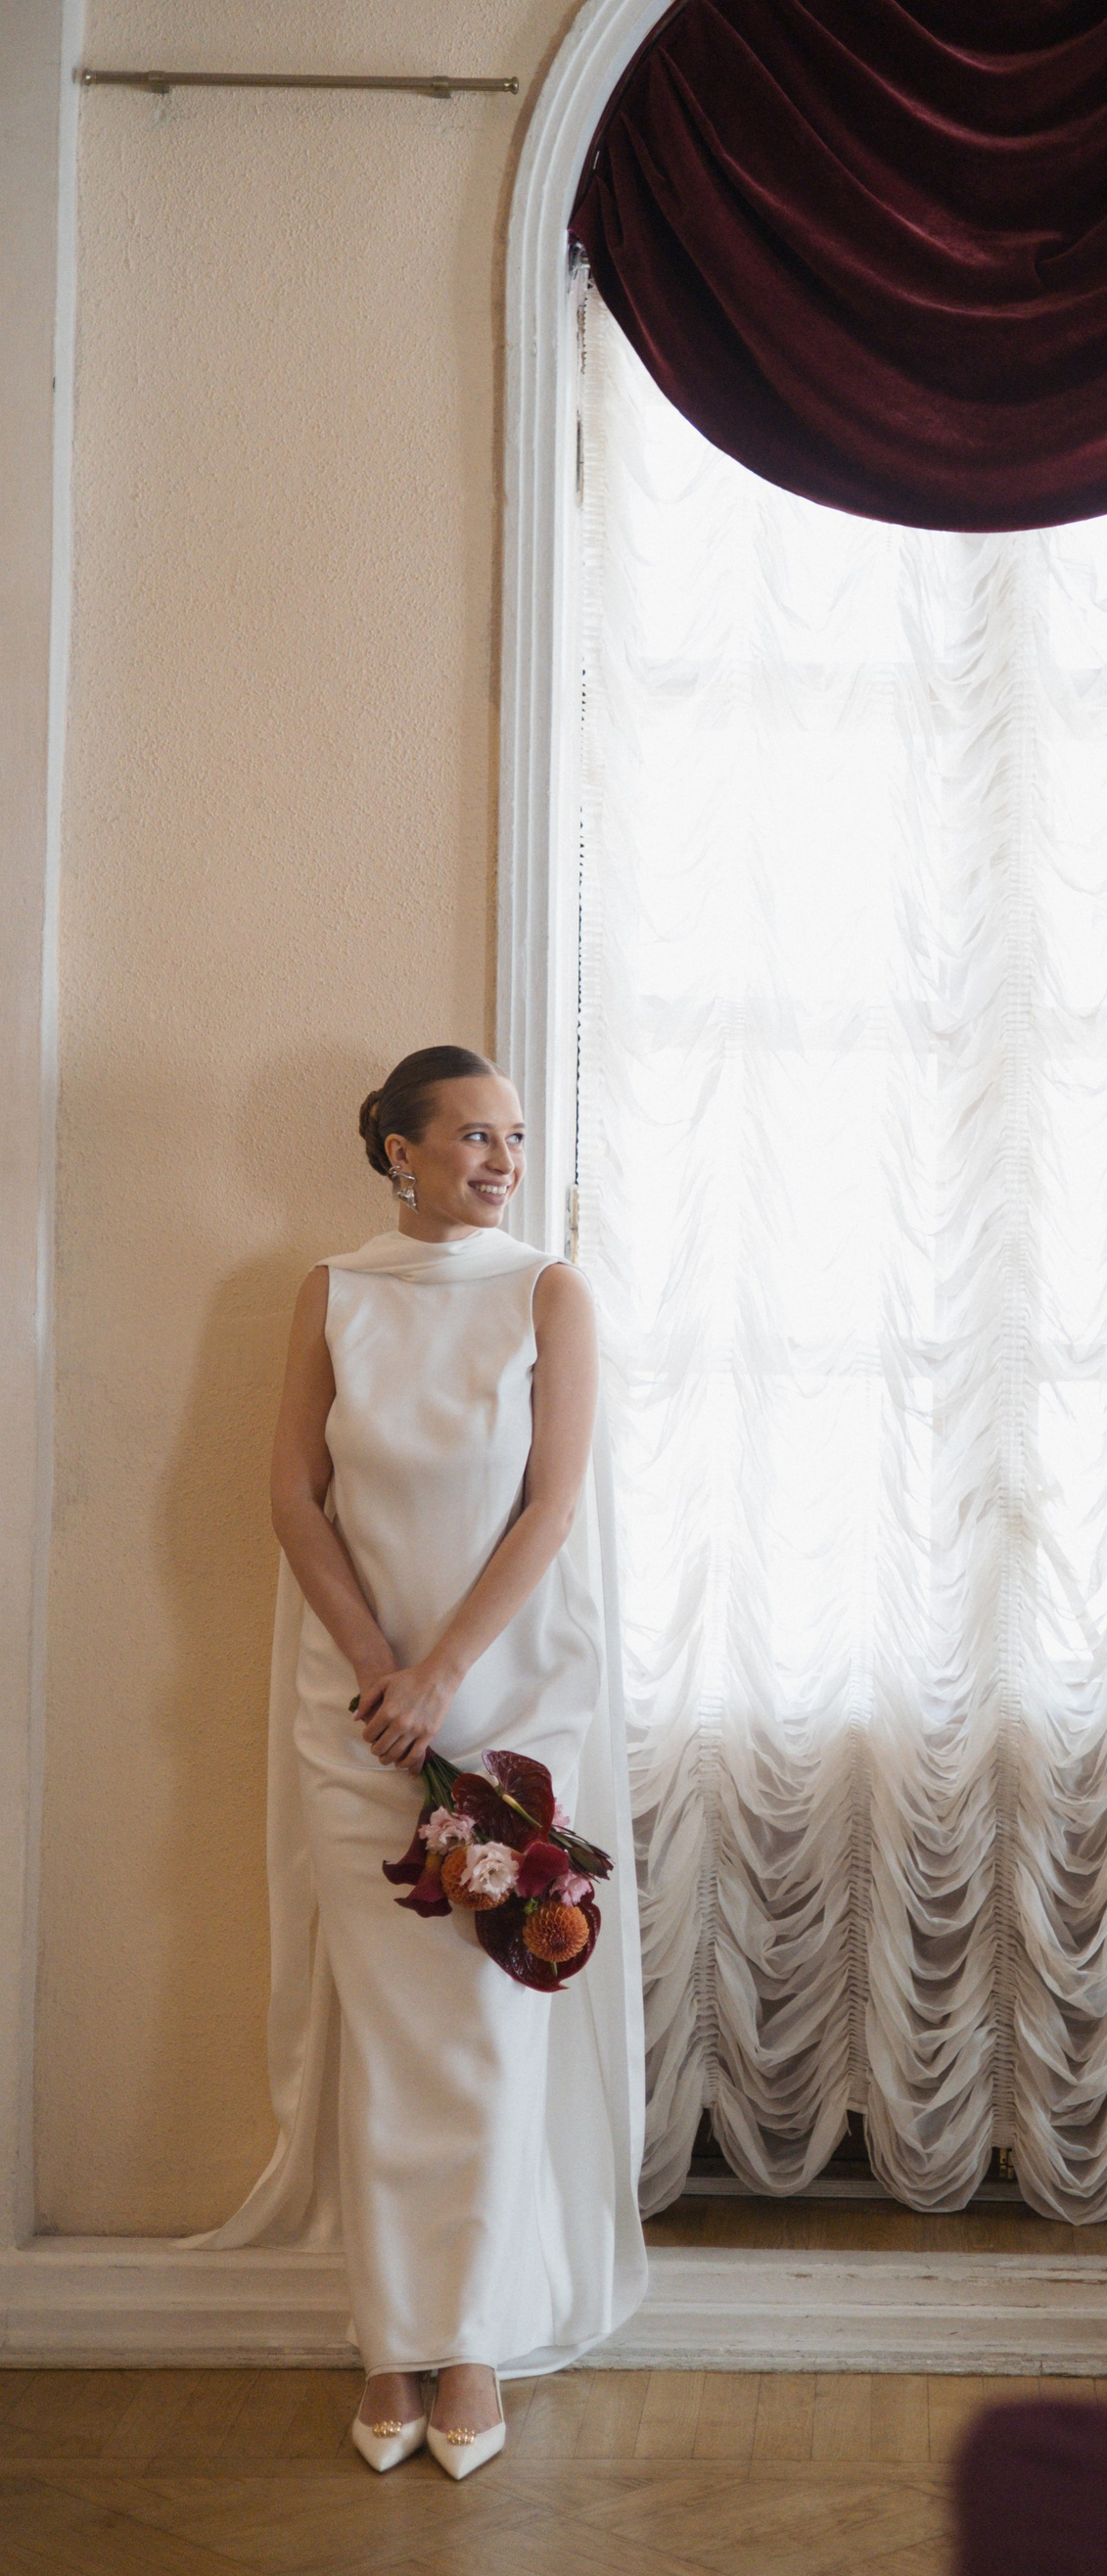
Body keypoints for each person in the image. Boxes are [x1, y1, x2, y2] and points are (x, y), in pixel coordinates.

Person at [198, 1046, 646, 2475]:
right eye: (473, 1136)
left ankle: (475, 2346)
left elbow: (551, 1507)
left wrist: (443, 1677)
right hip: (359, 1717)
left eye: (513, 1136)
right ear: (399, 1149)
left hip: (510, 1712)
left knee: (492, 2027)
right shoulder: (332, 1293)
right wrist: (378, 1677)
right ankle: (392, 2342)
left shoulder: (548, 1292)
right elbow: (294, 1496)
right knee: (393, 2037)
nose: (503, 1159)